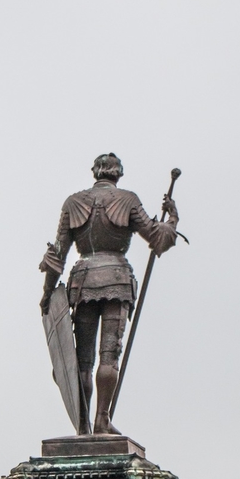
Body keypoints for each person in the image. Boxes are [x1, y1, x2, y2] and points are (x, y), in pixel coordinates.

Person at [40, 153, 178, 434]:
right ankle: (102, 419)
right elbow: (156, 237)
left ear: (95, 173)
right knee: (108, 356)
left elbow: (57, 254)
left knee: (83, 360)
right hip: (116, 278)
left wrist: (46, 293)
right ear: (118, 175)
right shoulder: (127, 200)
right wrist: (172, 216)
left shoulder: (73, 202)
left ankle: (83, 425)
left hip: (83, 281)